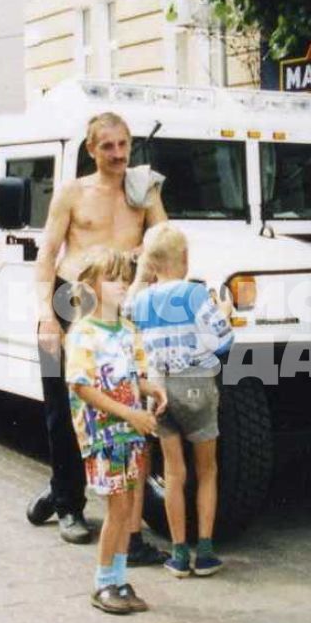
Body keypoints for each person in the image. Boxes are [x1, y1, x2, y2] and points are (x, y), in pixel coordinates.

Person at [27, 111, 170, 563]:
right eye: (106, 146)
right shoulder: (72, 192)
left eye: (123, 144)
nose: (117, 154)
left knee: (120, 400)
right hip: (68, 301)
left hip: (118, 303)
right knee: (61, 404)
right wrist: (44, 316)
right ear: (91, 149)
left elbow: (164, 241)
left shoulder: (142, 190)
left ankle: (66, 495)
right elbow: (47, 253)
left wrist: (146, 261)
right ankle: (68, 504)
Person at [65, 245, 168, 614]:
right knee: (117, 510)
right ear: (91, 286)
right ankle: (103, 583)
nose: (122, 285)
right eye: (112, 279)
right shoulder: (83, 333)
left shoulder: (127, 330)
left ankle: (119, 580)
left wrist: (149, 388)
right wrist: (129, 413)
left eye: (125, 278)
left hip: (130, 432)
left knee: (127, 511)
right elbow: (81, 385)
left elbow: (131, 377)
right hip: (104, 435)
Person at [127, 223, 232, 578]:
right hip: (196, 386)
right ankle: (205, 553)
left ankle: (177, 554)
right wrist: (226, 312)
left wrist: (143, 273)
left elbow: (128, 309)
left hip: (158, 389)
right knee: (207, 470)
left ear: (151, 263)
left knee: (173, 473)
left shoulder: (140, 300)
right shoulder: (196, 295)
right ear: (185, 258)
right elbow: (222, 341)